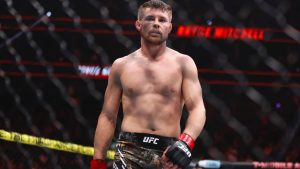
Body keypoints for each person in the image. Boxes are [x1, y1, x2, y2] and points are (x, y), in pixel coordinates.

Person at [90, 0, 206, 168]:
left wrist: (186, 141)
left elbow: (197, 109)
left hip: (169, 154)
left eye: (162, 20)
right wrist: (97, 160)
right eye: (150, 18)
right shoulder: (121, 66)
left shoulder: (184, 64)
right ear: (138, 24)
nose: (156, 24)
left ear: (170, 27)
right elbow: (108, 116)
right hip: (128, 150)